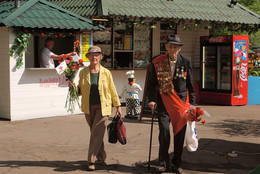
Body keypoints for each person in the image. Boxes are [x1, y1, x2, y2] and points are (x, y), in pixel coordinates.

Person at [147, 35, 196, 174]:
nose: (172, 49)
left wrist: (192, 104)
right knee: (164, 132)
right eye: (170, 46)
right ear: (166, 47)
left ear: (179, 48)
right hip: (163, 101)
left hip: (180, 103)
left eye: (175, 47)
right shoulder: (158, 61)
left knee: (179, 135)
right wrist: (152, 100)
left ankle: (177, 164)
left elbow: (190, 84)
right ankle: (163, 163)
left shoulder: (186, 61)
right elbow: (152, 84)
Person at [69, 45, 121, 171]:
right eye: (92, 55)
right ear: (88, 57)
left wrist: (118, 106)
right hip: (88, 108)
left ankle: (91, 161)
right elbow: (79, 91)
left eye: (97, 55)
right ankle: (101, 157)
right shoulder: (83, 72)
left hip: (103, 108)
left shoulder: (106, 73)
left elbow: (112, 89)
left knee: (96, 134)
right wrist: (72, 87)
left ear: (100, 57)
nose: (94, 57)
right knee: (95, 133)